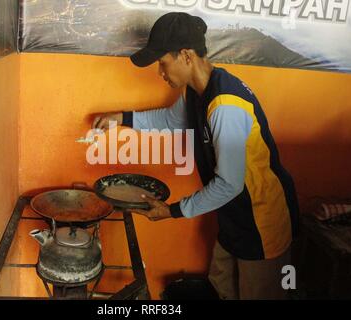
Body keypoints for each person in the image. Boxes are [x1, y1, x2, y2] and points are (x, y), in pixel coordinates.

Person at [91, 12, 299, 300]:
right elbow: (170, 121)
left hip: (261, 221)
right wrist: (122, 118)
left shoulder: (225, 104)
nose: (160, 73)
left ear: (186, 56)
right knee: (221, 286)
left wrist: (172, 210)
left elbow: (229, 184)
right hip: (232, 217)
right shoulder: (195, 91)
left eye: (163, 63)